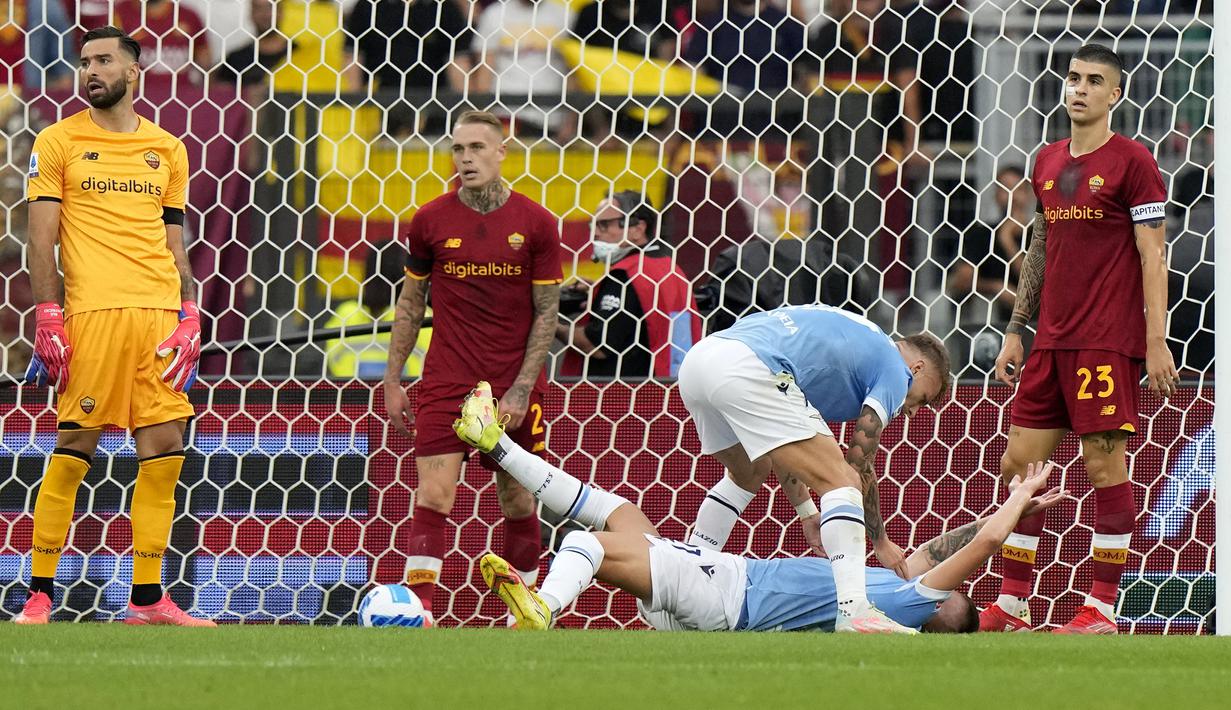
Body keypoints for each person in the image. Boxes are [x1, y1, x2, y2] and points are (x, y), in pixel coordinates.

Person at [452, 381, 1066, 632]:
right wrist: (1007, 515)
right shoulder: (889, 579)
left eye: (961, 599)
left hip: (726, 595)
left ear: (940, 615)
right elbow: (958, 543)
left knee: (588, 544)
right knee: (615, 512)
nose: (958, 590)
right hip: (718, 578)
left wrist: (1014, 502)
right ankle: (496, 443)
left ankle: (542, 608)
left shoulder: (911, 602)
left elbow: (980, 552)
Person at [14, 26, 210, 626]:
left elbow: (175, 244)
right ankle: (40, 595)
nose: (91, 70)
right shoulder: (58, 141)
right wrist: (48, 313)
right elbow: (39, 239)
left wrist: (189, 313)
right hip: (93, 314)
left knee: (164, 449)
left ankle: (148, 599)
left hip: (158, 317)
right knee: (74, 445)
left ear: (134, 71)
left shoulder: (168, 149)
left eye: (104, 60)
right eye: (84, 62)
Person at [980, 44, 1179, 634]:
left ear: (1115, 95)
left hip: (1104, 341)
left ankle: (1101, 609)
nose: (1081, 88)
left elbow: (1153, 252)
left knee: (1102, 467)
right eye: (1073, 78)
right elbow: (1039, 248)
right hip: (1050, 341)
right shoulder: (1046, 161)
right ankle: (1014, 606)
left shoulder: (1134, 162)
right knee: (1020, 467)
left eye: (1095, 81)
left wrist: (1157, 338)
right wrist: (1018, 328)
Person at [382, 110, 562, 617]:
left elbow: (547, 312)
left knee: (519, 501)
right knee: (434, 495)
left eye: (477, 148)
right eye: (458, 149)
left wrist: (522, 388)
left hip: (510, 382)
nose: (466, 158)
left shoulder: (536, 224)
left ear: (502, 153)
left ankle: (522, 610)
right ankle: (418, 610)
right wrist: (394, 380)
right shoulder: (431, 220)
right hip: (445, 381)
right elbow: (411, 304)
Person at [679, 304, 950, 633]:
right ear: (918, 368)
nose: (914, 411)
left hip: (701, 360)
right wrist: (880, 541)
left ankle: (683, 579)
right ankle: (855, 611)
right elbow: (859, 461)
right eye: (923, 399)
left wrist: (807, 512)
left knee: (749, 472)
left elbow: (781, 446)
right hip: (749, 365)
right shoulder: (896, 370)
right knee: (844, 480)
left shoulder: (855, 342)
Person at [556, 191, 700, 379]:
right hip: (667, 385)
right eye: (594, 225)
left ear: (638, 229)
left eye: (605, 224)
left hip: (622, 394)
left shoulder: (626, 274)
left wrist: (549, 323)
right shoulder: (668, 267)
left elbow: (597, 345)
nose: (596, 232)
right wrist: (600, 292)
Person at [323, 240, 431, 380]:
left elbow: (332, 362)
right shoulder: (422, 316)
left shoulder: (346, 313)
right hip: (407, 396)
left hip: (351, 397)